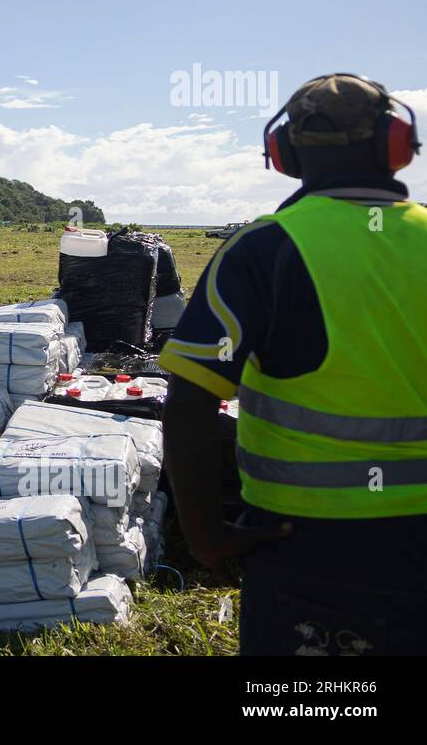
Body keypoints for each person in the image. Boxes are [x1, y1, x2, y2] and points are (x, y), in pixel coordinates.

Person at [158, 74, 426, 656]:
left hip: (309, 544)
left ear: (284, 152)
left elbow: (189, 404)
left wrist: (205, 536)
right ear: (397, 145)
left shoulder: (263, 249)